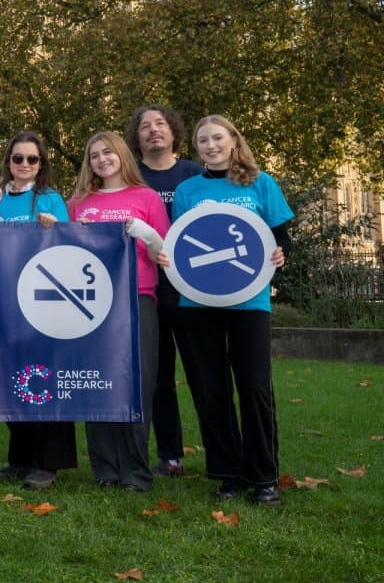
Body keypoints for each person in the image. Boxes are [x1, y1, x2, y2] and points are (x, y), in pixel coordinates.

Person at [168, 115, 292, 506]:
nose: (210, 145)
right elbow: (179, 244)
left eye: (217, 137)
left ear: (234, 140)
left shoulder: (260, 182)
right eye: (203, 140)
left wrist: (281, 253)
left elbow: (280, 236)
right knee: (210, 388)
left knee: (255, 386)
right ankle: (227, 474)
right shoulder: (187, 190)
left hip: (249, 301)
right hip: (198, 302)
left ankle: (263, 476)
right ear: (197, 148)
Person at [69, 131, 170, 492]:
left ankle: (136, 471)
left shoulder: (146, 197)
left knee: (136, 383)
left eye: (107, 152)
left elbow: (166, 252)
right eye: (94, 155)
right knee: (96, 381)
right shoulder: (80, 201)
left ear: (122, 155)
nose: (101, 160)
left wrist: (145, 234)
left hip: (137, 296)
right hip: (91, 302)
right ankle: (106, 469)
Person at [0, 131, 76, 491]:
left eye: (32, 159)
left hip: (43, 300)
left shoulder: (51, 198)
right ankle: (20, 458)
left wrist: (55, 227)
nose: (24, 165)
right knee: (13, 381)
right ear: (8, 161)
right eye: (17, 158)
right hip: (2, 299)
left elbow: (71, 243)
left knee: (44, 380)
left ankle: (48, 463)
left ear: (41, 164)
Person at [126, 105, 204, 478]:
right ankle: (170, 454)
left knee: (204, 373)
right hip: (147, 289)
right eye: (145, 126)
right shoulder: (132, 177)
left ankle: (220, 454)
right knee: (157, 375)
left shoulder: (193, 173)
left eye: (160, 124)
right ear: (137, 137)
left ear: (174, 131)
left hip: (193, 289)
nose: (153, 130)